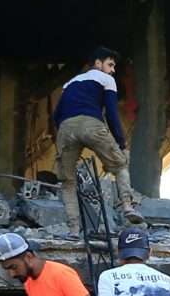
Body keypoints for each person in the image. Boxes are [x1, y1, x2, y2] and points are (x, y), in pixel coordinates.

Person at [53, 46, 135, 234]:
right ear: (97, 63)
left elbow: (56, 115)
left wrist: (64, 135)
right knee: (120, 165)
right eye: (110, 64)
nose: (113, 70)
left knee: (68, 182)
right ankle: (127, 206)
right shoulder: (106, 79)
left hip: (66, 129)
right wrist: (121, 144)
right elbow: (113, 114)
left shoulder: (70, 83)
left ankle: (73, 229)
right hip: (92, 124)